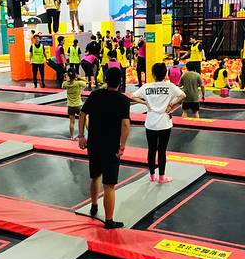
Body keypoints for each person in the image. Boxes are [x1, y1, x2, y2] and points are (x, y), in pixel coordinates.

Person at [79, 67, 131, 229]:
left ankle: (94, 205)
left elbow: (82, 114)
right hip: (111, 146)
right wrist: (122, 145)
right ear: (120, 82)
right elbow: (125, 125)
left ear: (106, 80)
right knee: (109, 185)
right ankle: (109, 221)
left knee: (95, 176)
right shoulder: (123, 100)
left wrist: (81, 136)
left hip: (94, 143)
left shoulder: (95, 95)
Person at [131, 63, 186, 183]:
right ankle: (161, 177)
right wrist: (171, 104)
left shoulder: (147, 86)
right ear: (165, 74)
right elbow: (183, 95)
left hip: (150, 123)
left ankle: (152, 175)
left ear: (153, 74)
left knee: (151, 150)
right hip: (164, 123)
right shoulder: (169, 86)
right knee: (162, 150)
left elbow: (132, 96)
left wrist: (145, 103)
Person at [62, 68, 87, 140]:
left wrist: (65, 78)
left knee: (71, 122)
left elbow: (63, 86)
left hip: (70, 106)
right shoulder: (78, 83)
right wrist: (79, 77)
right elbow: (86, 82)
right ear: (75, 75)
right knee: (85, 119)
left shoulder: (65, 84)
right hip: (78, 105)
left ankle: (72, 136)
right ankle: (86, 133)